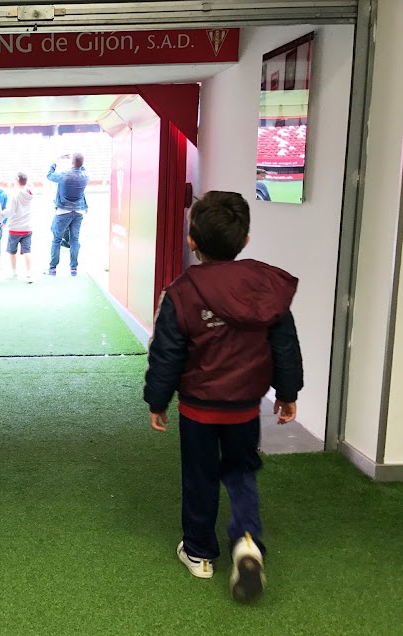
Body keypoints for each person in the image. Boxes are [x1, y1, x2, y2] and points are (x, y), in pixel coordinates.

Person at [143, 191, 303, 604]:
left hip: (198, 410)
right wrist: (287, 395)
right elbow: (284, 346)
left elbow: (167, 353)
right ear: (245, 239)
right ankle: (247, 543)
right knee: (241, 473)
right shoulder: (266, 289)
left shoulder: (182, 292)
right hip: (245, 409)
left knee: (200, 477)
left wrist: (157, 400)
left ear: (192, 241)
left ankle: (198, 552)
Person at [46, 152, 89, 276]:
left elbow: (49, 175)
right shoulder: (85, 176)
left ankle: (53, 268)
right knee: (74, 240)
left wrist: (56, 161)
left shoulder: (64, 175)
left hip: (63, 211)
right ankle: (73, 269)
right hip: (79, 211)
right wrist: (75, 161)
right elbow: (82, 168)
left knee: (56, 239)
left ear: (71, 162)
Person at [4, 172, 35, 281]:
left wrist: (1, 215)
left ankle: (14, 273)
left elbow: (10, 211)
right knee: (27, 251)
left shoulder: (14, 194)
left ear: (17, 181)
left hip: (15, 228)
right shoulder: (30, 193)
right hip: (27, 227)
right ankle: (29, 274)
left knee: (12, 252)